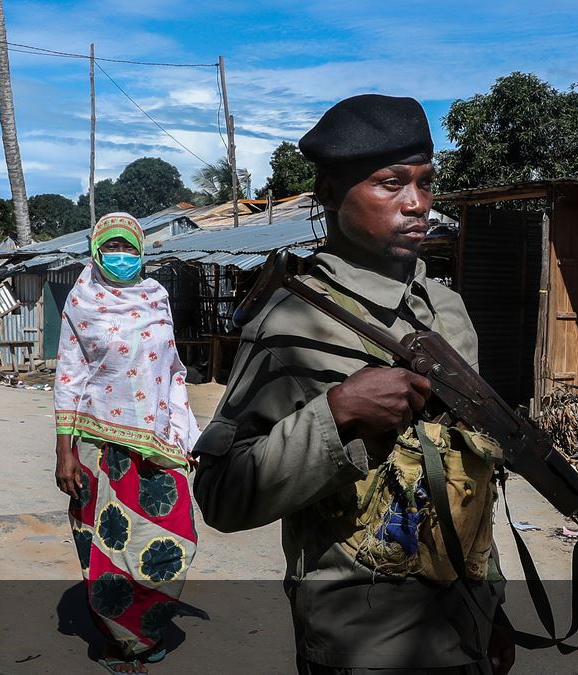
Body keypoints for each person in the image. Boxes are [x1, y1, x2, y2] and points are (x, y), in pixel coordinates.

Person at [192, 96, 515, 674]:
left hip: (463, 627)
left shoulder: (446, 309)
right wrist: (336, 413)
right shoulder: (293, 321)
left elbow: (470, 473)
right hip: (363, 643)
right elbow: (222, 494)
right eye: (390, 184)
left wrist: (493, 603)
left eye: (424, 183)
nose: (416, 204)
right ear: (329, 194)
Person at [53, 213, 201, 675]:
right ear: (96, 251)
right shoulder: (81, 302)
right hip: (104, 446)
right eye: (112, 247)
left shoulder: (157, 296)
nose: (122, 257)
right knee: (112, 546)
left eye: (130, 248)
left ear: (142, 251)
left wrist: (185, 431)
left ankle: (145, 624)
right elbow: (69, 376)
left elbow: (173, 368)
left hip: (159, 442)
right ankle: (120, 643)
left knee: (177, 539)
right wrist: (65, 450)